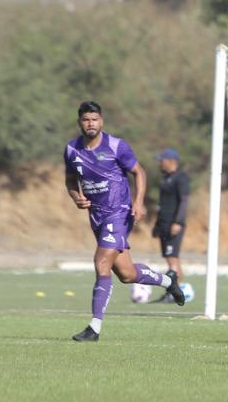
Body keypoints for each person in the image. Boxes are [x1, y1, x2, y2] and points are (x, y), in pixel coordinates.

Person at [63, 101, 176, 342]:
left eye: (94, 119)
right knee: (126, 274)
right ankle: (169, 281)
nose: (90, 123)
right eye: (86, 119)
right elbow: (70, 180)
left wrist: (139, 201)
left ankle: (94, 327)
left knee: (101, 262)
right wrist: (76, 197)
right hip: (96, 216)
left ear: (101, 121)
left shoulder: (116, 146)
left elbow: (139, 172)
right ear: (79, 122)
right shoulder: (72, 150)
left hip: (120, 212)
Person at [148, 148, 190, 306]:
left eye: (162, 160)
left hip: (174, 225)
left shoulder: (181, 178)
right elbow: (162, 204)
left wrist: (178, 222)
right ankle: (174, 292)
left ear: (172, 161)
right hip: (164, 224)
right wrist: (157, 225)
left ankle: (173, 293)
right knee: (169, 259)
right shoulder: (166, 178)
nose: (160, 163)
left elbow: (184, 201)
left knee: (173, 260)